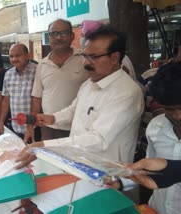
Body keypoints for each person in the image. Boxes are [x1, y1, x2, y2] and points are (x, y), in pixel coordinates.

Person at [16, 25, 144, 179]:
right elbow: (73, 110)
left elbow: (98, 139)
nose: (85, 63)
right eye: (85, 55)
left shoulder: (126, 92)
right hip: (80, 167)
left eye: (93, 57)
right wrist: (53, 118)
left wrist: (45, 146)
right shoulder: (88, 84)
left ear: (115, 57)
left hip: (110, 176)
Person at [119, 61, 181, 214]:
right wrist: (119, 182)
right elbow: (148, 173)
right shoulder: (156, 128)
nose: (178, 116)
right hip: (157, 208)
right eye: (170, 109)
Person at [24, 19, 88, 143]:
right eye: (53, 34)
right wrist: (30, 127)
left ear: (72, 36)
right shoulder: (42, 64)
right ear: (49, 38)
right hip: (49, 128)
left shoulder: (84, 59)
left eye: (63, 33)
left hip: (77, 128)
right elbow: (37, 98)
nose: (58, 37)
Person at [0, 43, 40, 141]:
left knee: (36, 155)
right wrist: (1, 123)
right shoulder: (8, 74)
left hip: (35, 127)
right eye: (11, 56)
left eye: (18, 55)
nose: (14, 59)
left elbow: (38, 99)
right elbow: (6, 100)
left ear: (27, 55)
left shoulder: (38, 71)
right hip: (15, 127)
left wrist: (31, 125)